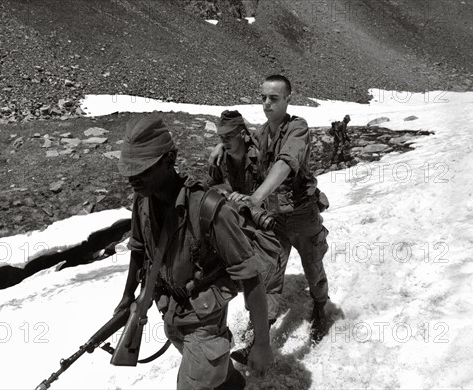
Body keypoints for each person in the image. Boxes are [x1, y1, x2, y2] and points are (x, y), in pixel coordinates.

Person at [114, 115, 273, 390]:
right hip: (171, 311)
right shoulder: (142, 201)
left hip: (206, 320)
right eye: (129, 170)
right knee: (217, 377)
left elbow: (251, 277)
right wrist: (130, 297)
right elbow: (139, 249)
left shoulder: (211, 210)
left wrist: (262, 344)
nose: (133, 179)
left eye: (142, 169)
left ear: (169, 160)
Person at [209, 75, 331, 344]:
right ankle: (260, 332)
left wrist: (255, 197)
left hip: (301, 214)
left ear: (288, 99)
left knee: (313, 266)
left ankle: (321, 306)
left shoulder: (297, 128)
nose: (267, 103)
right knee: (270, 274)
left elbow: (286, 162)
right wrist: (222, 144)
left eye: (274, 98)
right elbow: (242, 140)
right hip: (274, 219)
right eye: (263, 97)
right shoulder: (262, 134)